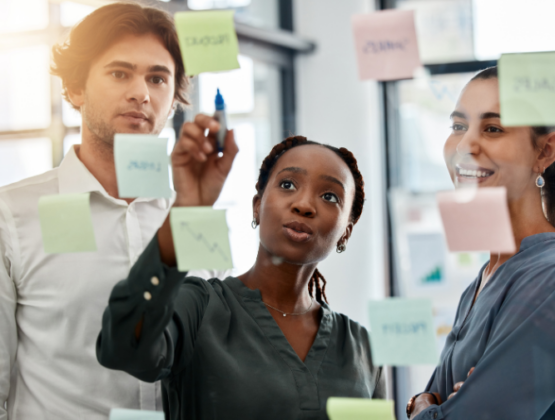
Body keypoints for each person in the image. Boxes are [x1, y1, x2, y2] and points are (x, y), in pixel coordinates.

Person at [0, 3, 234, 418]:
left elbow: (215, 359)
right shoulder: (11, 214)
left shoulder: (196, 218)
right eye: (119, 73)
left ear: (174, 98)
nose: (141, 93)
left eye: (158, 78)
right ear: (75, 88)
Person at [96, 135, 386, 419]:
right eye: (287, 184)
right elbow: (122, 347)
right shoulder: (199, 307)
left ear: (345, 232)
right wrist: (184, 212)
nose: (304, 204)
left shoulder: (362, 349)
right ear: (257, 206)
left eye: (329, 196)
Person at [406, 67, 555, 420]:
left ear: (545, 151)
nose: (465, 146)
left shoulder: (548, 276)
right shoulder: (484, 277)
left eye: (492, 129)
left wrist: (423, 407)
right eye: (458, 126)